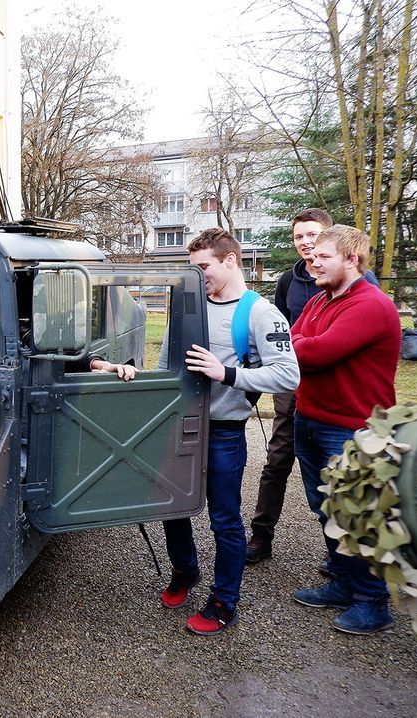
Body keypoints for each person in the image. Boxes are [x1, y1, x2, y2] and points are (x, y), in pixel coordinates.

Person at [159, 228, 299, 635]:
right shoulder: (188, 306)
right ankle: (185, 570)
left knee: (224, 520)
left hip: (224, 432)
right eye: (193, 268)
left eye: (203, 266)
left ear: (230, 260)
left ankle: (224, 602)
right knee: (171, 507)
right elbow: (167, 364)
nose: (197, 275)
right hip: (181, 426)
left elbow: (288, 375)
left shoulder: (261, 313)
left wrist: (227, 374)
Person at [246, 209, 380, 564]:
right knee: (279, 460)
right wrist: (297, 346)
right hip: (295, 390)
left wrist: (304, 344)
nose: (306, 245)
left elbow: (326, 347)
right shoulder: (292, 283)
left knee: (342, 488)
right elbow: (281, 336)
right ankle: (262, 536)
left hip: (339, 400)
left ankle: (349, 570)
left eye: (314, 238)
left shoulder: (364, 289)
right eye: (299, 237)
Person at [290, 225, 401, 634]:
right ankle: (341, 583)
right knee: (326, 509)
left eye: (323, 257)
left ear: (352, 259)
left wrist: (301, 344)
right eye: (312, 257)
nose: (313, 263)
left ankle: (373, 602)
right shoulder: (319, 300)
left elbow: (316, 352)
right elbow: (290, 340)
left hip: (353, 428)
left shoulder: (371, 305)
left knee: (358, 515)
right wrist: (300, 343)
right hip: (310, 418)